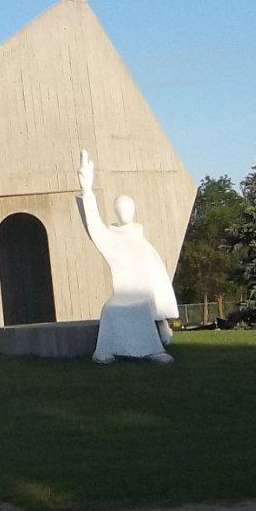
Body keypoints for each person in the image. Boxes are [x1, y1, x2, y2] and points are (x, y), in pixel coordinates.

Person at [76, 149, 179, 363]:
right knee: (110, 309)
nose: (124, 211)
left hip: (142, 297)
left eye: (127, 207)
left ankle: (154, 350)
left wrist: (162, 315)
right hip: (121, 297)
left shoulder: (142, 244)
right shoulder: (112, 239)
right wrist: (87, 191)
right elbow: (94, 226)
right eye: (120, 208)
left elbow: (156, 278)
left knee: (142, 307)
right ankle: (104, 351)